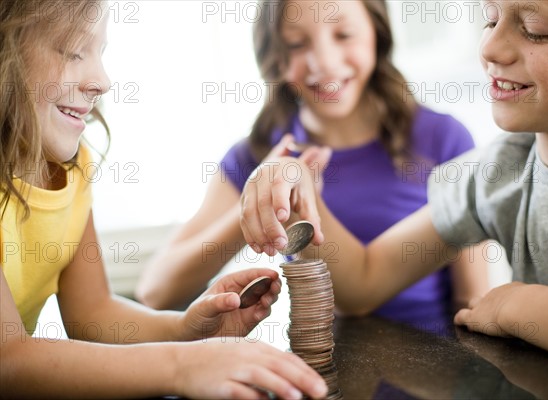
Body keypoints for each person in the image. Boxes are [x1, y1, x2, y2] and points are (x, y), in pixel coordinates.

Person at [238, 0, 548, 367]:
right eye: (491, 20)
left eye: (534, 30)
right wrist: (300, 194)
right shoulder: (497, 172)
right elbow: (363, 284)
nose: (490, 48)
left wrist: (513, 306)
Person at [0, 1, 327, 398]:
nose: (102, 81)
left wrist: (186, 330)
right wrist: (183, 365)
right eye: (73, 51)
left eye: (100, 53)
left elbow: (92, 314)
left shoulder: (72, 165)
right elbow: (8, 359)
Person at [136, 0, 489, 323]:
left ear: (377, 34)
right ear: (274, 56)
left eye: (343, 34)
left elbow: (472, 298)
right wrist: (260, 203)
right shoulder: (256, 155)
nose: (324, 62)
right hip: (317, 370)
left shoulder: (444, 139)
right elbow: (155, 292)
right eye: (296, 43)